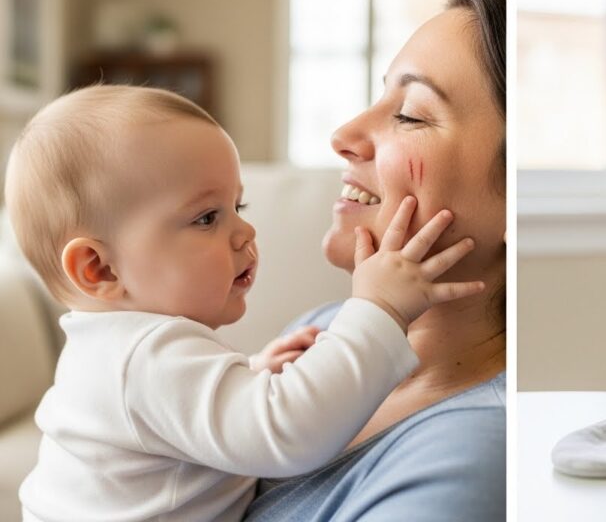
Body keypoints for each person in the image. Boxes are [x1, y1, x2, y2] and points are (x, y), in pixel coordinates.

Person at [6, 85, 485, 522]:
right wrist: (379, 309)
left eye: (240, 207)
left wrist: (249, 378)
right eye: (206, 217)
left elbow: (175, 431)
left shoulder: (117, 354)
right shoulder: (145, 356)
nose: (245, 232)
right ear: (100, 269)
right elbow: (288, 433)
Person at [243, 0, 507, 521]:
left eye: (409, 113)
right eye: (380, 96)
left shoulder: (470, 459)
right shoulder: (323, 330)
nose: (344, 133)